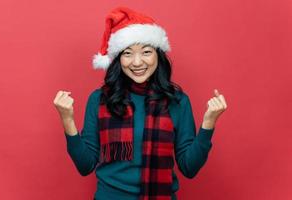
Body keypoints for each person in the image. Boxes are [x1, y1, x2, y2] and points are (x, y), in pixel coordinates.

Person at [53, 6, 227, 200]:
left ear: (157, 55)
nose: (137, 62)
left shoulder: (177, 102)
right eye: (127, 53)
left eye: (146, 52)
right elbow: (85, 166)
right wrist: (67, 120)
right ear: (118, 59)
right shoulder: (100, 99)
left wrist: (209, 123)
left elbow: (189, 167)